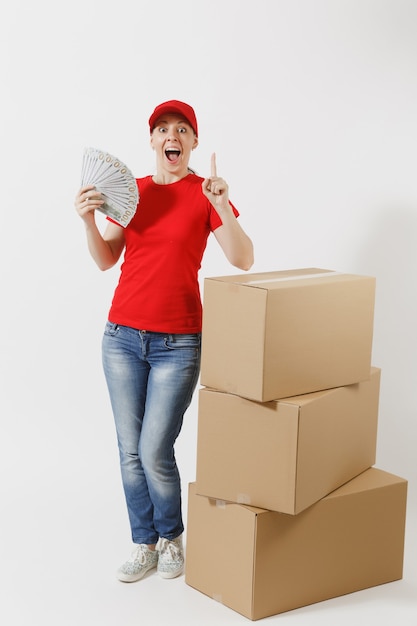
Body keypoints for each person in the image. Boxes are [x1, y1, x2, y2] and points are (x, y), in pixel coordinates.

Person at [74, 100, 254, 583]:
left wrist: (221, 207)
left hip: (178, 344)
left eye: (182, 130)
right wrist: (89, 221)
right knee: (130, 451)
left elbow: (243, 258)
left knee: (154, 448)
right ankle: (144, 542)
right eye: (162, 130)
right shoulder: (132, 192)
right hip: (121, 339)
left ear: (193, 142)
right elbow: (106, 260)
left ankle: (171, 536)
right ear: (153, 141)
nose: (171, 136)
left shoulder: (205, 194)